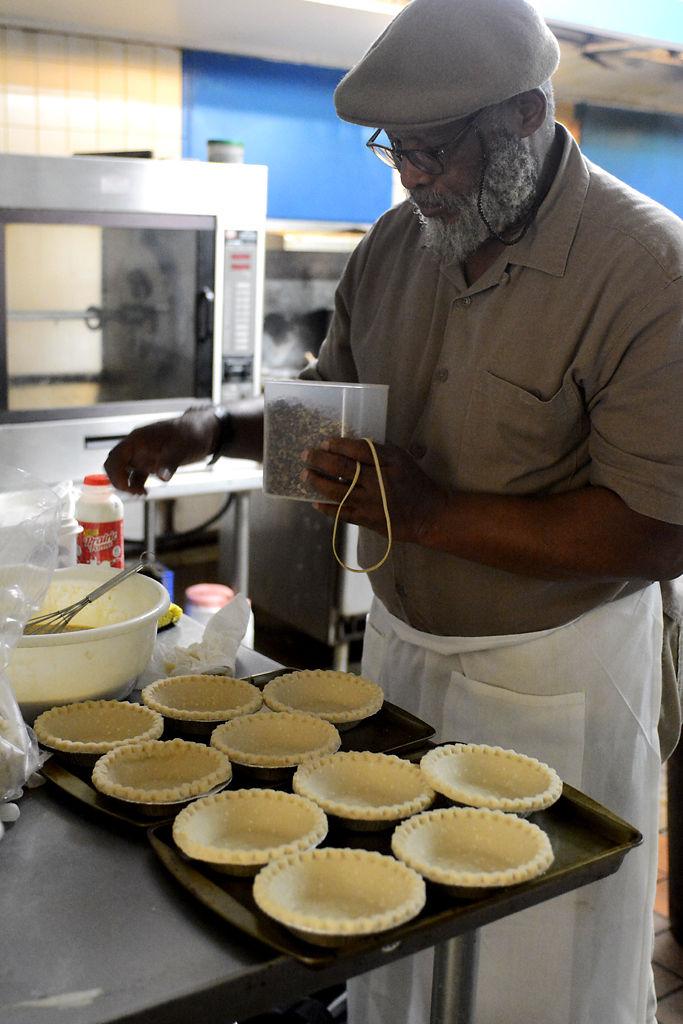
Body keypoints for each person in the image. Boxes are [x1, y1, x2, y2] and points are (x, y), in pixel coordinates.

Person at [105, 0, 683, 1020]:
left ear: (523, 116)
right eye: (394, 149)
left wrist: (428, 513)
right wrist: (209, 429)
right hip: (404, 652)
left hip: (550, 674)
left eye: (434, 148)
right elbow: (323, 411)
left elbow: (653, 529)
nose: (410, 173)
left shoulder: (642, 269)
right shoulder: (395, 244)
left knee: (527, 970)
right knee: (389, 943)